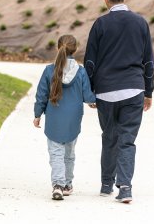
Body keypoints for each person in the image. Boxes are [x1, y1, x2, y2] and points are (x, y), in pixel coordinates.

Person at [84, 0, 154, 203]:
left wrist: (90, 91)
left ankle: (106, 184)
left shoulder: (100, 24)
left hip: (105, 91)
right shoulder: (140, 23)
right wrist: (149, 91)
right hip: (134, 89)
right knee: (127, 140)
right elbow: (149, 62)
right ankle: (125, 188)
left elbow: (90, 62)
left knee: (109, 137)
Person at [34, 34, 96, 201]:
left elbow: (41, 95)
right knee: (69, 153)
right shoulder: (81, 71)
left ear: (57, 48)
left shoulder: (49, 70)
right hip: (73, 119)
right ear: (75, 50)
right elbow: (88, 96)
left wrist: (37, 114)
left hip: (54, 117)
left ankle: (58, 185)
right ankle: (67, 184)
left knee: (56, 153)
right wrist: (94, 101)